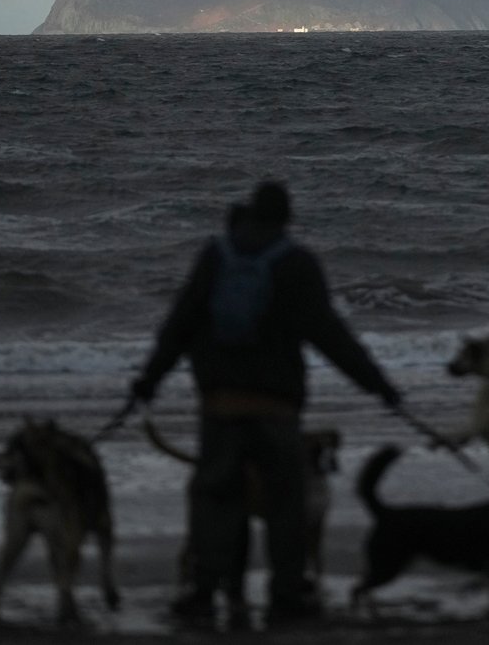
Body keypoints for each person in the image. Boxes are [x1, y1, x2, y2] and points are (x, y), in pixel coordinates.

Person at [129, 181, 402, 628]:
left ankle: (204, 592)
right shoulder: (297, 262)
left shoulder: (215, 256)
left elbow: (180, 322)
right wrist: (378, 384)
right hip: (276, 409)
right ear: (287, 218)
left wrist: (149, 380)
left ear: (251, 212)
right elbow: (330, 334)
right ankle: (286, 595)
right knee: (285, 505)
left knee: (217, 501)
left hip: (220, 406)